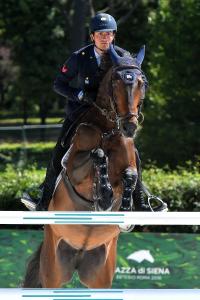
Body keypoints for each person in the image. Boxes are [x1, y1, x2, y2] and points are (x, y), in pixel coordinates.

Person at [22, 13, 167, 212]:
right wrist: (80, 94)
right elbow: (59, 84)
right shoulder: (79, 57)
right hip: (82, 111)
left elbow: (138, 82)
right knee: (59, 150)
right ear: (92, 37)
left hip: (112, 117)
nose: (105, 38)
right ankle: (44, 199)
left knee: (134, 154)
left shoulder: (124, 58)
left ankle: (141, 202)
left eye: (109, 34)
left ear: (114, 35)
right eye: (100, 34)